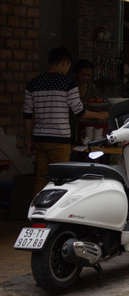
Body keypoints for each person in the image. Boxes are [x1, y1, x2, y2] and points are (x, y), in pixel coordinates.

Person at [23, 47, 107, 193]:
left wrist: (29, 140)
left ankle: (37, 212)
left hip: (40, 139)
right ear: (64, 63)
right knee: (60, 179)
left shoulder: (33, 84)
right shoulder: (68, 83)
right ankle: (54, 212)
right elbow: (79, 112)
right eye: (68, 65)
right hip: (59, 139)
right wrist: (99, 115)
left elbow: (27, 115)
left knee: (41, 178)